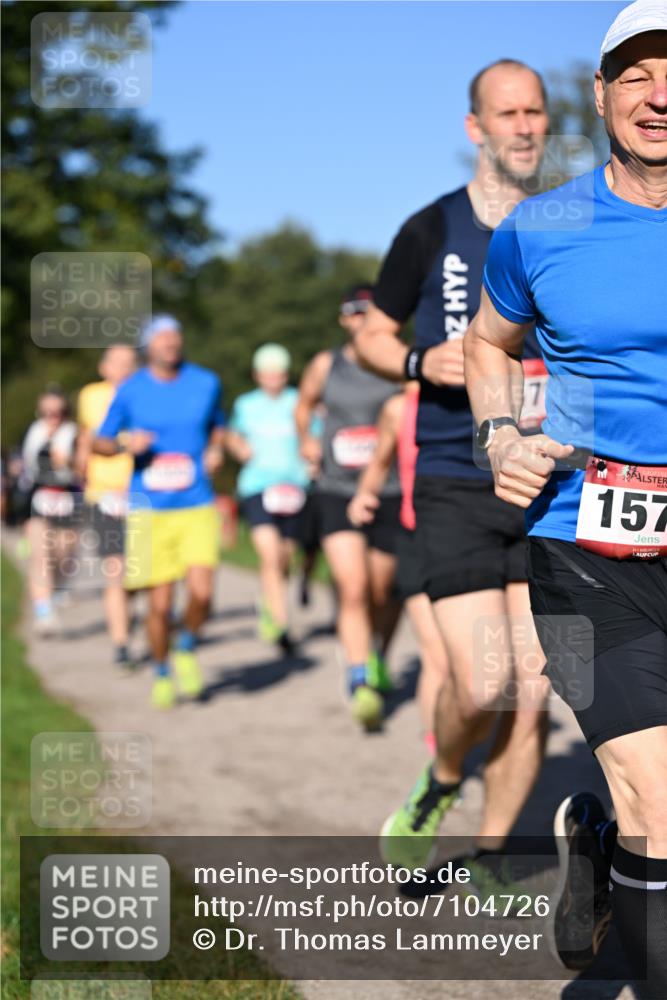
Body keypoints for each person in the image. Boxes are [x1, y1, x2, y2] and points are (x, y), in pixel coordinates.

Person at [463, 3, 666, 989]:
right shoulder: (541, 228)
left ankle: (596, 851)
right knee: (656, 795)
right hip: (583, 545)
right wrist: (499, 434)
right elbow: (486, 343)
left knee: (650, 808)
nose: (659, 97)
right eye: (636, 75)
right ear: (599, 93)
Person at [356, 61, 552, 886]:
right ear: (475, 127)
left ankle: (490, 859)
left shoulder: (568, 224)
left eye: (534, 111)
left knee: (532, 694)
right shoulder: (430, 226)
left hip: (548, 483)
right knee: (482, 681)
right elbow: (370, 334)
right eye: (506, 113)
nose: (524, 126)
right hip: (455, 474)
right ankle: (440, 782)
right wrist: (416, 360)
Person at [94, 316, 225, 709]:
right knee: (160, 604)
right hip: (149, 510)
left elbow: (218, 425)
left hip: (197, 503)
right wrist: (125, 443)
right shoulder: (131, 390)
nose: (170, 344)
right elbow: (99, 442)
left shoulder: (206, 382)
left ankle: (186, 645)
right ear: (148, 346)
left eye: (175, 337)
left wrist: (216, 448)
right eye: (162, 338)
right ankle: (163, 670)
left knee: (202, 593)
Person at [296, 285, 402, 730]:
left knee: (383, 591)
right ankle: (359, 677)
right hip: (337, 488)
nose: (360, 318)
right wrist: (305, 439)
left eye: (368, 311)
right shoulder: (327, 364)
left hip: (391, 489)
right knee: (353, 586)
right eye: (353, 312)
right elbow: (303, 405)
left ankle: (378, 654)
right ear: (343, 319)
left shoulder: (400, 362)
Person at [347, 382, 449, 752]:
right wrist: (364, 494)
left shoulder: (485, 392)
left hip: (475, 539)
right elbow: (380, 461)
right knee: (438, 655)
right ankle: (439, 757)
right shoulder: (400, 406)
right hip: (417, 538)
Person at [226, 343, 310, 653]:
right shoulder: (246, 404)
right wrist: (238, 447)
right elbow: (232, 435)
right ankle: (281, 623)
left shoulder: (298, 401)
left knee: (285, 557)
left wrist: (313, 457)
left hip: (294, 486)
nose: (274, 380)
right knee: (270, 556)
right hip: (257, 487)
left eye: (279, 374)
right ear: (257, 376)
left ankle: (268, 601)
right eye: (268, 375)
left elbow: (312, 434)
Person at [76, 345, 137, 666]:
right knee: (116, 569)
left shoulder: (146, 394)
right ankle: (121, 644)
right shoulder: (91, 395)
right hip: (103, 494)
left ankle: (129, 613)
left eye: (129, 363)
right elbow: (87, 438)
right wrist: (81, 472)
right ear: (104, 367)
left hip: (142, 493)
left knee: (138, 575)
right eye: (117, 363)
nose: (123, 368)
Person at [22, 387, 79, 635]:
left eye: (57, 413)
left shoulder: (75, 434)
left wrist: (68, 461)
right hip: (38, 499)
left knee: (62, 556)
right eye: (46, 413)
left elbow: (85, 467)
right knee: (41, 556)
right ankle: (43, 612)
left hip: (67, 497)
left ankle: (58, 588)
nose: (52, 418)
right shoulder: (33, 432)